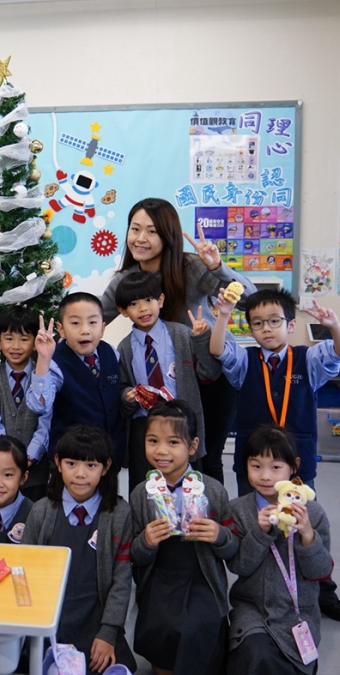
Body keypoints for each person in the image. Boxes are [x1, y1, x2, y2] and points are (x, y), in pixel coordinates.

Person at [210, 287, 340, 623]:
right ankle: (257, 590)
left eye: (274, 321)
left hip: (296, 462)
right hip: (254, 464)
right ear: (250, 328)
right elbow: (218, 349)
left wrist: (333, 326)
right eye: (258, 323)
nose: (266, 328)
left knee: (304, 522)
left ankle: (323, 590)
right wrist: (223, 315)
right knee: (255, 524)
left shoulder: (308, 359)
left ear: (290, 325)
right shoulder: (246, 361)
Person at [100, 198, 255, 482]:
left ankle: (209, 511)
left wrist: (217, 267)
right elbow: (94, 318)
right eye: (135, 229)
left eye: (152, 231)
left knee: (206, 457)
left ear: (168, 236)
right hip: (168, 382)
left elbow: (249, 300)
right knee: (162, 460)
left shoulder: (192, 266)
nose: (140, 238)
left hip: (210, 374)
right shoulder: (126, 280)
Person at [129, 400, 235, 675]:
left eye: (173, 442)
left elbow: (234, 550)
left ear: (193, 446)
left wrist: (219, 535)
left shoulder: (213, 490)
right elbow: (134, 556)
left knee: (198, 627)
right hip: (158, 579)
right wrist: (146, 541)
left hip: (201, 576)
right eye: (153, 441)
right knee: (161, 628)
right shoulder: (141, 494)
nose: (161, 451)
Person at [22, 425, 134, 674]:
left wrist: (108, 632)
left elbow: (122, 580)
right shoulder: (41, 511)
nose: (80, 474)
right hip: (51, 624)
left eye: (91, 465)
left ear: (106, 467)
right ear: (58, 463)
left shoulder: (120, 514)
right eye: (71, 464)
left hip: (97, 623)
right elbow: (25, 573)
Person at [227, 425, 333, 675]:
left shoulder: (312, 512)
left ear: (294, 466)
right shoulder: (238, 510)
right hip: (252, 609)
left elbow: (321, 572)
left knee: (286, 663)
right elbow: (239, 566)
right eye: (256, 466)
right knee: (257, 656)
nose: (265, 476)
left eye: (275, 467)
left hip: (298, 613)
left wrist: (307, 534)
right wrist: (259, 533)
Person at [116, 270, 221, 493]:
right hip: (144, 426)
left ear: (161, 300)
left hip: (182, 421)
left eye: (149, 300)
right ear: (123, 311)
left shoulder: (181, 334)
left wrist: (201, 340)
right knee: (144, 487)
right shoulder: (124, 348)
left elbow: (209, 372)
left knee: (188, 488)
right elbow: (122, 386)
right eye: (133, 304)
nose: (143, 308)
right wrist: (127, 396)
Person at [26, 294, 125, 465]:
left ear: (102, 328)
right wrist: (43, 359)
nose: (85, 330)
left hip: (109, 455)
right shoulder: (55, 363)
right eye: (75, 323)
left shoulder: (111, 353)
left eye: (92, 322)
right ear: (61, 329)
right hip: (71, 457)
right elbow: (39, 405)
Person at [0, 306, 51, 502]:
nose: (16, 346)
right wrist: (7, 457)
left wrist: (30, 456)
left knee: (32, 515)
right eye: (9, 338)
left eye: (24, 339)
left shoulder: (44, 376)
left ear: (35, 343)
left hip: (35, 473)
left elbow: (46, 422)